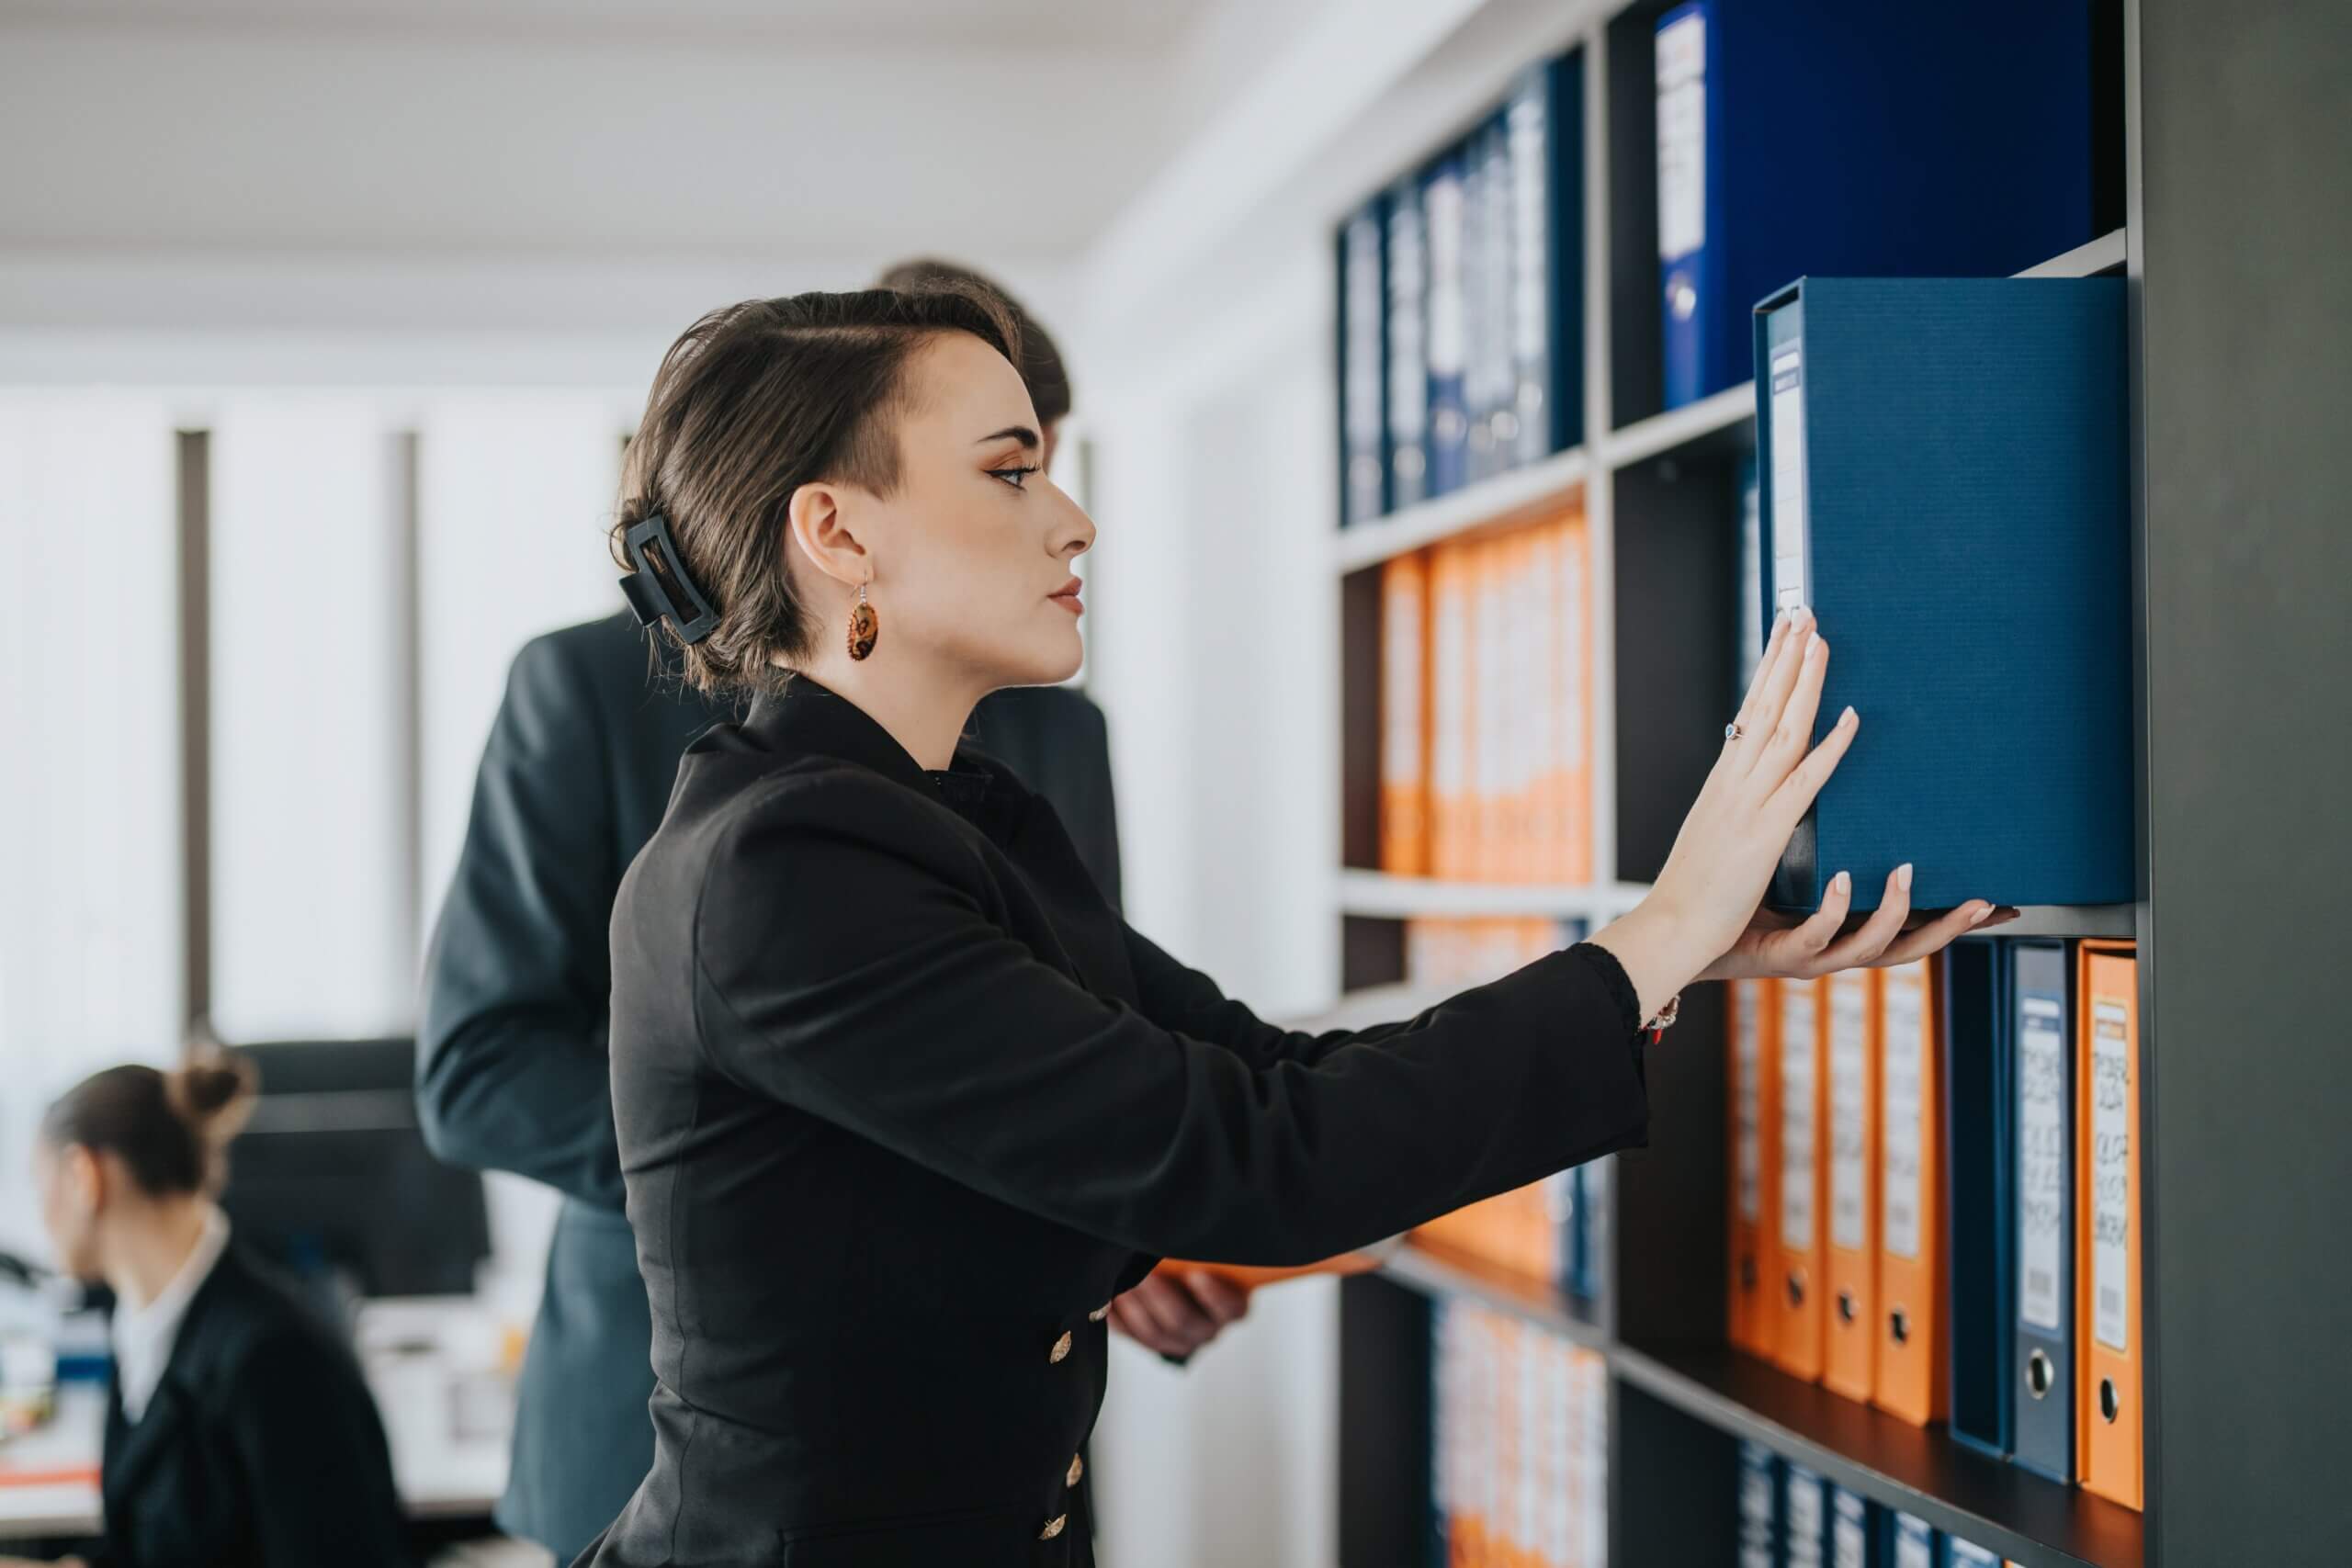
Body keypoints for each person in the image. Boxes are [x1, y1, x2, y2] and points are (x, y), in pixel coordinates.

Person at [571, 285, 1998, 1568]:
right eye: (1011, 471)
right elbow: (1255, 1161)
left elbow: (1271, 1078)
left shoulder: (954, 818)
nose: (1072, 518)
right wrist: (1660, 927)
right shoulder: (783, 866)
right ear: (838, 532)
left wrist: (1673, 948)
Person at [414, 263, 1237, 1565]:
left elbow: (1087, 1046)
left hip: (988, 1451)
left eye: (1040, 462)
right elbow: (478, 1066)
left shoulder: (1062, 729)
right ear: (849, 507)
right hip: (669, 1424)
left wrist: (1144, 1231)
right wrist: (823, 1166)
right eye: (1003, 471)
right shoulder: (581, 691)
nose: (1052, 522)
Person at [1, 1057, 410, 1568]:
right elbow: (164, 1541)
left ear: (85, 1177)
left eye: (41, 1187)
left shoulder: (274, 1358)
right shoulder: (142, 1327)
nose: (41, 1215)